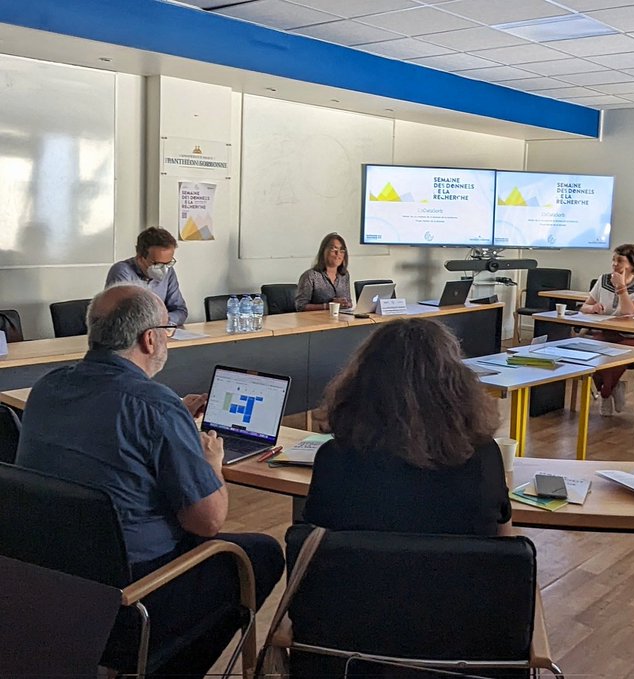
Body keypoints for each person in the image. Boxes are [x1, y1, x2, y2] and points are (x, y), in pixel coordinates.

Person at [15, 283, 283, 678]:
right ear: (150, 338)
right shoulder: (155, 408)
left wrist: (173, 412)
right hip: (133, 595)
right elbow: (207, 523)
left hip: (50, 582)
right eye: (168, 332)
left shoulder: (47, 387)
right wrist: (211, 463)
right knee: (260, 553)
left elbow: (106, 425)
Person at [303, 318, 511, 535]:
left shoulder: (334, 459)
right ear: (457, 386)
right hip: (459, 570)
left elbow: (316, 549)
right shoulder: (483, 459)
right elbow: (505, 552)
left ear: (361, 382)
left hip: (363, 569)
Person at [579, 243, 634, 416]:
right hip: (603, 332)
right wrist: (593, 308)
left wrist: (621, 287)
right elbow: (584, 307)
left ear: (632, 264)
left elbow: (629, 312)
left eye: (620, 261)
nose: (614, 264)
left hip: (630, 336)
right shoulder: (603, 280)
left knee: (615, 358)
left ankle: (605, 393)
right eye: (613, 260)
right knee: (592, 356)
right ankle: (613, 388)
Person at [105, 226, 188, 326]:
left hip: (160, 333)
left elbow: (180, 310)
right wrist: (159, 321)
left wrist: (165, 322)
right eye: (158, 264)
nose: (164, 269)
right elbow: (124, 317)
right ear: (140, 257)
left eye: (168, 263)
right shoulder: (122, 271)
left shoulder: (169, 271)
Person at [295, 232, 353, 311]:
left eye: (341, 250)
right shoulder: (310, 276)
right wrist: (329, 306)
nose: (338, 254)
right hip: (316, 321)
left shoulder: (344, 275)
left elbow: (348, 301)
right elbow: (300, 306)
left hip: (341, 320)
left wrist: (347, 304)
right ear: (323, 251)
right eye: (333, 249)